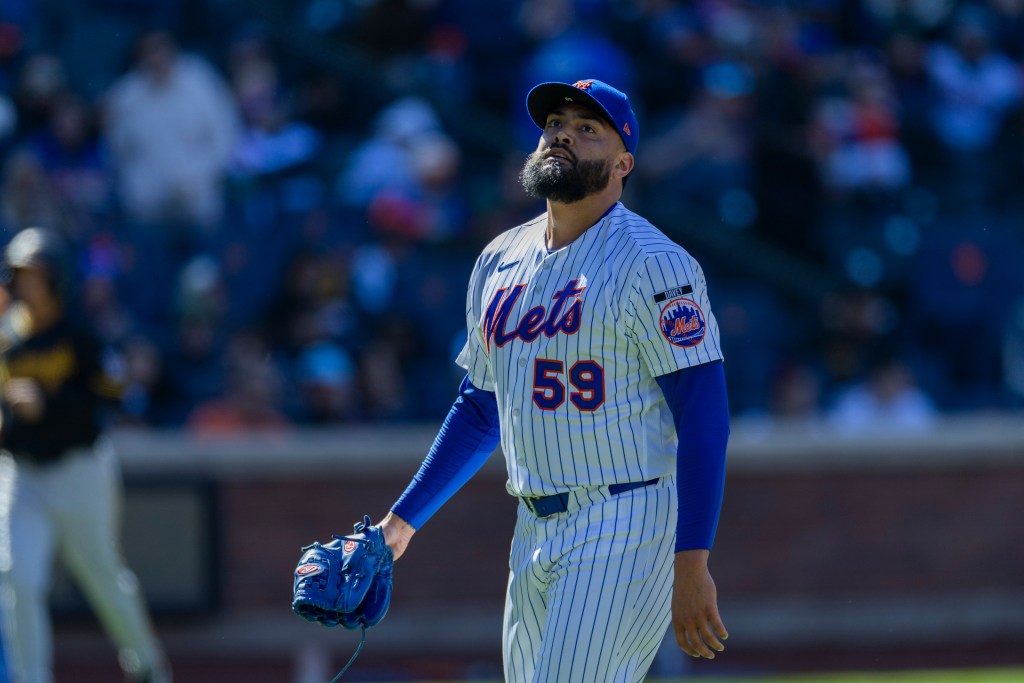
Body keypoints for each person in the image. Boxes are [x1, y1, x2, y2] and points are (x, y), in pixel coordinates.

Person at [373, 78, 731, 681]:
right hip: (533, 526)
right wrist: (398, 524)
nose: (562, 133)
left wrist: (691, 562)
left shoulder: (655, 263)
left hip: (625, 518)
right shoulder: (498, 259)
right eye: (554, 124)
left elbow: (704, 416)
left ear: (623, 164)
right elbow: (482, 407)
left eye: (587, 128)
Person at [0, 227, 171, 683]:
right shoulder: (6, 337)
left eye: (37, 276)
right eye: (21, 276)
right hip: (22, 475)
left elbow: (110, 398)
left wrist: (47, 404)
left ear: (58, 280)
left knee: (105, 582)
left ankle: (147, 666)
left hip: (79, 471)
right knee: (16, 577)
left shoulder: (80, 333)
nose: (28, 286)